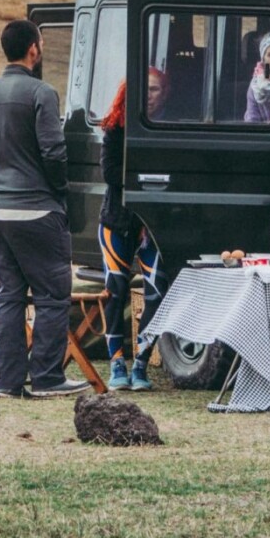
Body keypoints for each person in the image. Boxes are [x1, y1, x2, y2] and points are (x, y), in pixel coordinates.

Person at [0, 19, 89, 398]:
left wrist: (0, 182)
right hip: (36, 209)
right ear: (34, 49)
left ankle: (5, 381)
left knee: (8, 295)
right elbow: (53, 150)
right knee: (52, 295)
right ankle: (48, 378)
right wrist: (58, 189)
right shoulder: (42, 93)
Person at [98, 78, 169, 390]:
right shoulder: (115, 128)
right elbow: (109, 173)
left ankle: (141, 364)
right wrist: (145, 175)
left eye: (156, 89)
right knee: (115, 292)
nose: (150, 95)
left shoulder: (168, 126)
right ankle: (116, 364)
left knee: (157, 292)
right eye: (146, 88)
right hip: (117, 222)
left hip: (152, 227)